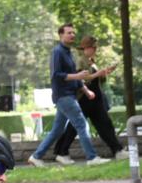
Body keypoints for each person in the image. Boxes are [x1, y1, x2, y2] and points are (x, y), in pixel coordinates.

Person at [27, 24, 110, 167]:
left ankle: (36, 156)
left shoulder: (69, 53)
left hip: (69, 95)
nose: (72, 35)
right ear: (61, 35)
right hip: (63, 96)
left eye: (73, 33)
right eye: (68, 33)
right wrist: (76, 75)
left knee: (57, 130)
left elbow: (77, 78)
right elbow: (56, 75)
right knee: (82, 124)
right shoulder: (57, 52)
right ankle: (92, 157)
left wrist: (86, 91)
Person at [53, 35, 128, 164]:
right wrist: (98, 74)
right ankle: (61, 151)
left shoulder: (91, 60)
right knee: (75, 126)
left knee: (104, 124)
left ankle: (117, 150)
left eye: (95, 47)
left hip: (95, 99)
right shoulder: (80, 61)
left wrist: (104, 74)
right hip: (85, 98)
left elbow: (96, 79)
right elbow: (82, 79)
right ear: (86, 48)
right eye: (93, 47)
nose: (95, 50)